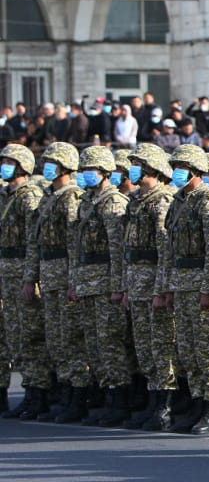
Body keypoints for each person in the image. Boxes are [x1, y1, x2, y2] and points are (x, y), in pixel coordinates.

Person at [61, 146, 129, 424]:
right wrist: (75, 282)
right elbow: (77, 248)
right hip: (88, 281)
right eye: (84, 169)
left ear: (104, 172)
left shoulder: (113, 202)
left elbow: (117, 250)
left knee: (110, 341)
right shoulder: (87, 201)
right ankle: (104, 396)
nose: (86, 174)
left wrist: (118, 286)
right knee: (94, 343)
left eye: (91, 169)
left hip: (105, 283)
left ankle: (119, 400)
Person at [160, 145, 209, 436]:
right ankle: (197, 403)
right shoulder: (178, 201)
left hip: (200, 283)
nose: (177, 172)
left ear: (196, 170)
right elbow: (170, 249)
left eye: (182, 167)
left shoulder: (208, 201)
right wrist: (169, 287)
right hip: (181, 283)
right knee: (187, 350)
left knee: (207, 349)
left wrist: (208, 288)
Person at [22, 143, 82, 422]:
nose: (47, 167)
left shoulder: (71, 197)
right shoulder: (48, 197)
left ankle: (76, 396)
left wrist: (73, 280)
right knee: (56, 339)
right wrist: (30, 278)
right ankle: (62, 393)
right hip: (48, 274)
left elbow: (73, 245)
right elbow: (35, 243)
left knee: (70, 338)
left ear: (65, 166)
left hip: (64, 273)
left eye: (53, 162)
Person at [120, 144, 175, 431]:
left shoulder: (161, 202)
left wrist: (161, 289)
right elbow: (126, 249)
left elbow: (165, 251)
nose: (133, 170)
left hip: (154, 282)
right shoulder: (135, 201)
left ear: (152, 168)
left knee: (160, 345)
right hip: (136, 282)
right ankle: (152, 401)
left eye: (138, 165)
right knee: (144, 346)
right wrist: (126, 286)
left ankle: (164, 406)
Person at [0, 145, 45, 420]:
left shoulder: (29, 197)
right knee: (7, 335)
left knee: (28, 335)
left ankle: (35, 393)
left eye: (9, 161)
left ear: (22, 166)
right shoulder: (4, 195)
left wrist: (30, 278)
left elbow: (33, 243)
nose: (4, 165)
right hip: (4, 271)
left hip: (20, 272)